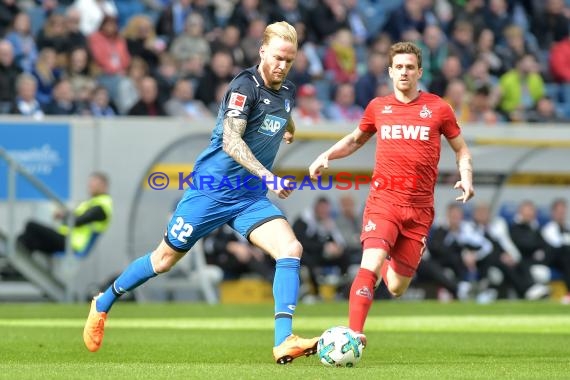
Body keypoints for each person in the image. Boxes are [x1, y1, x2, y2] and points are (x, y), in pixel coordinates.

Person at [83, 21, 320, 365]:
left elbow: (281, 112)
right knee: (163, 260)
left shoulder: (286, 90)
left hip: (248, 197)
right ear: (262, 51)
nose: (283, 66)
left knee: (290, 248)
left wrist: (289, 129)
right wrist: (269, 177)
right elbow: (230, 140)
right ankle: (103, 302)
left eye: (290, 60)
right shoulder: (244, 87)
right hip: (211, 191)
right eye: (278, 58)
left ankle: (284, 341)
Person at [308, 41, 474, 346]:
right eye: (399, 67)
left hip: (420, 210)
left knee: (397, 286)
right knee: (368, 265)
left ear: (419, 71)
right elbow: (356, 139)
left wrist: (466, 176)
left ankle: (387, 255)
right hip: (384, 202)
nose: (404, 72)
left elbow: (461, 150)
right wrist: (326, 155)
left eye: (410, 67)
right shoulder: (378, 107)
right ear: (390, 71)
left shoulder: (439, 108)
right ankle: (353, 335)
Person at [17, 172, 112, 257]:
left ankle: (15, 263)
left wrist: (63, 216)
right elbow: (76, 217)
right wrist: (66, 214)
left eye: (93, 183)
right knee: (28, 240)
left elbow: (77, 221)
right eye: (90, 184)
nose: (90, 186)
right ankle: (13, 268)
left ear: (104, 185)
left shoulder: (102, 206)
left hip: (72, 244)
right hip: (66, 239)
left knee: (31, 225)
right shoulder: (92, 202)